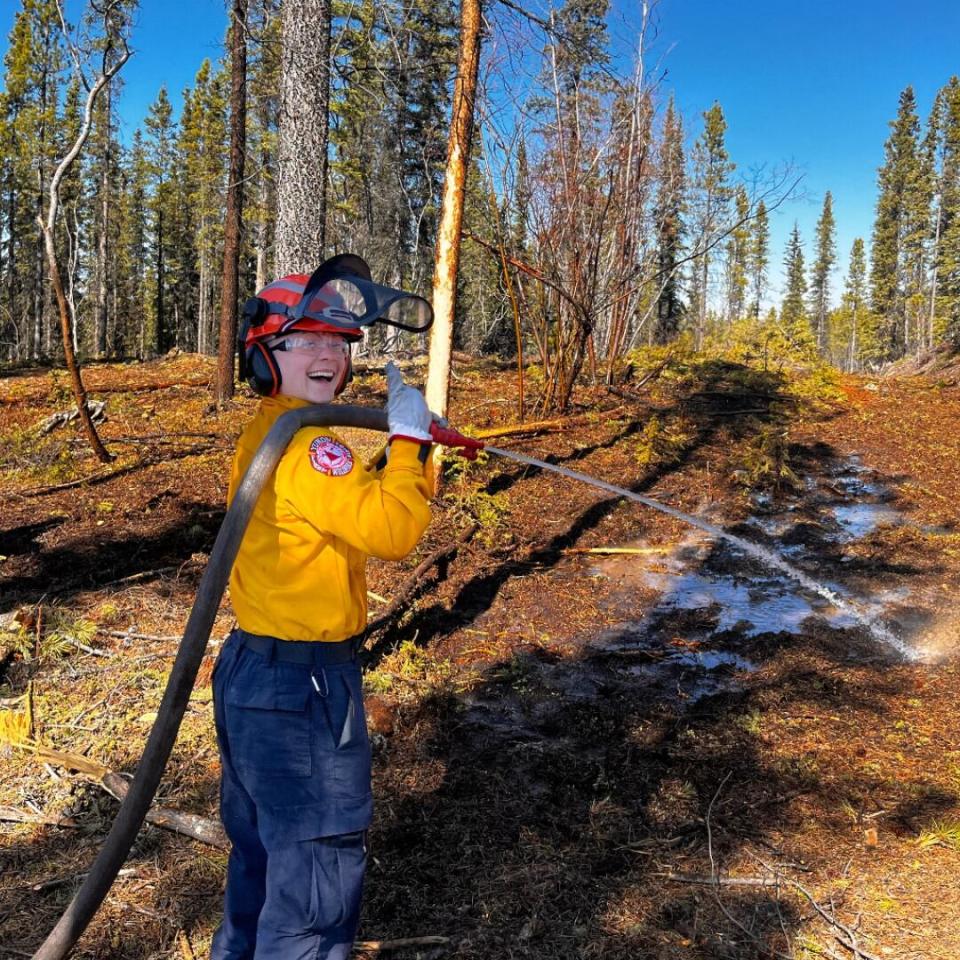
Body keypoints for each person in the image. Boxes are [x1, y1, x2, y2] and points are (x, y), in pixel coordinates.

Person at [210, 269, 435, 960]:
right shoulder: (308, 443)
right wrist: (408, 445)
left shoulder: (280, 431)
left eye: (338, 340)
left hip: (254, 675)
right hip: (301, 692)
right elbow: (394, 531)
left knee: (263, 863)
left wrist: (408, 446)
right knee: (312, 889)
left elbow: (352, 504)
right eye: (301, 338)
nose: (326, 355)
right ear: (262, 355)